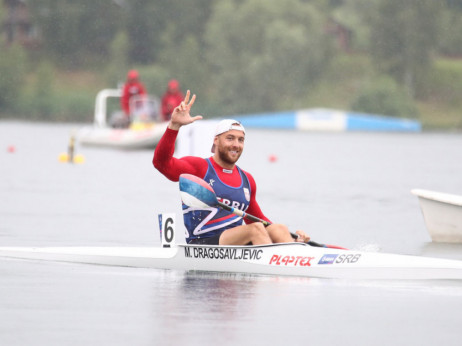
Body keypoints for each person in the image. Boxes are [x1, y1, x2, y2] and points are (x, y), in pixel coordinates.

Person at [153, 90, 310, 246]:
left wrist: (292, 239)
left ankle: (297, 258)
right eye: (230, 138)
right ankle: (283, 264)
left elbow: (259, 220)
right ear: (216, 141)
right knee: (254, 230)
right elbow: (161, 163)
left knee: (279, 228)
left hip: (235, 245)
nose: (236, 144)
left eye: (241, 140)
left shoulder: (247, 180)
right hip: (203, 244)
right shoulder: (199, 168)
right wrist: (174, 126)